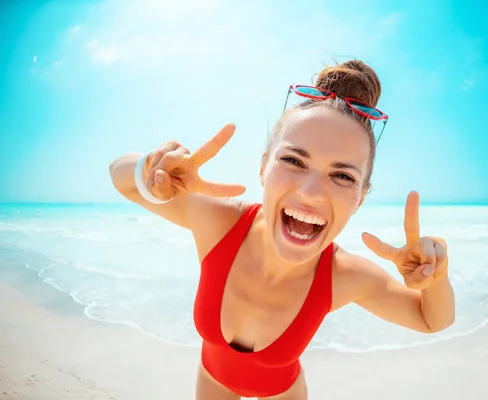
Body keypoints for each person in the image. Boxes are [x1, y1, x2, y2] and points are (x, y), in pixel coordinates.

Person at [109, 60, 455, 400]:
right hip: (212, 383)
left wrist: (435, 278)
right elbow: (119, 175)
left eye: (343, 176)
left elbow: (431, 320)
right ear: (263, 166)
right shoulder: (220, 224)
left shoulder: (344, 276)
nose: (310, 192)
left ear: (361, 197)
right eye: (293, 160)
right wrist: (152, 171)